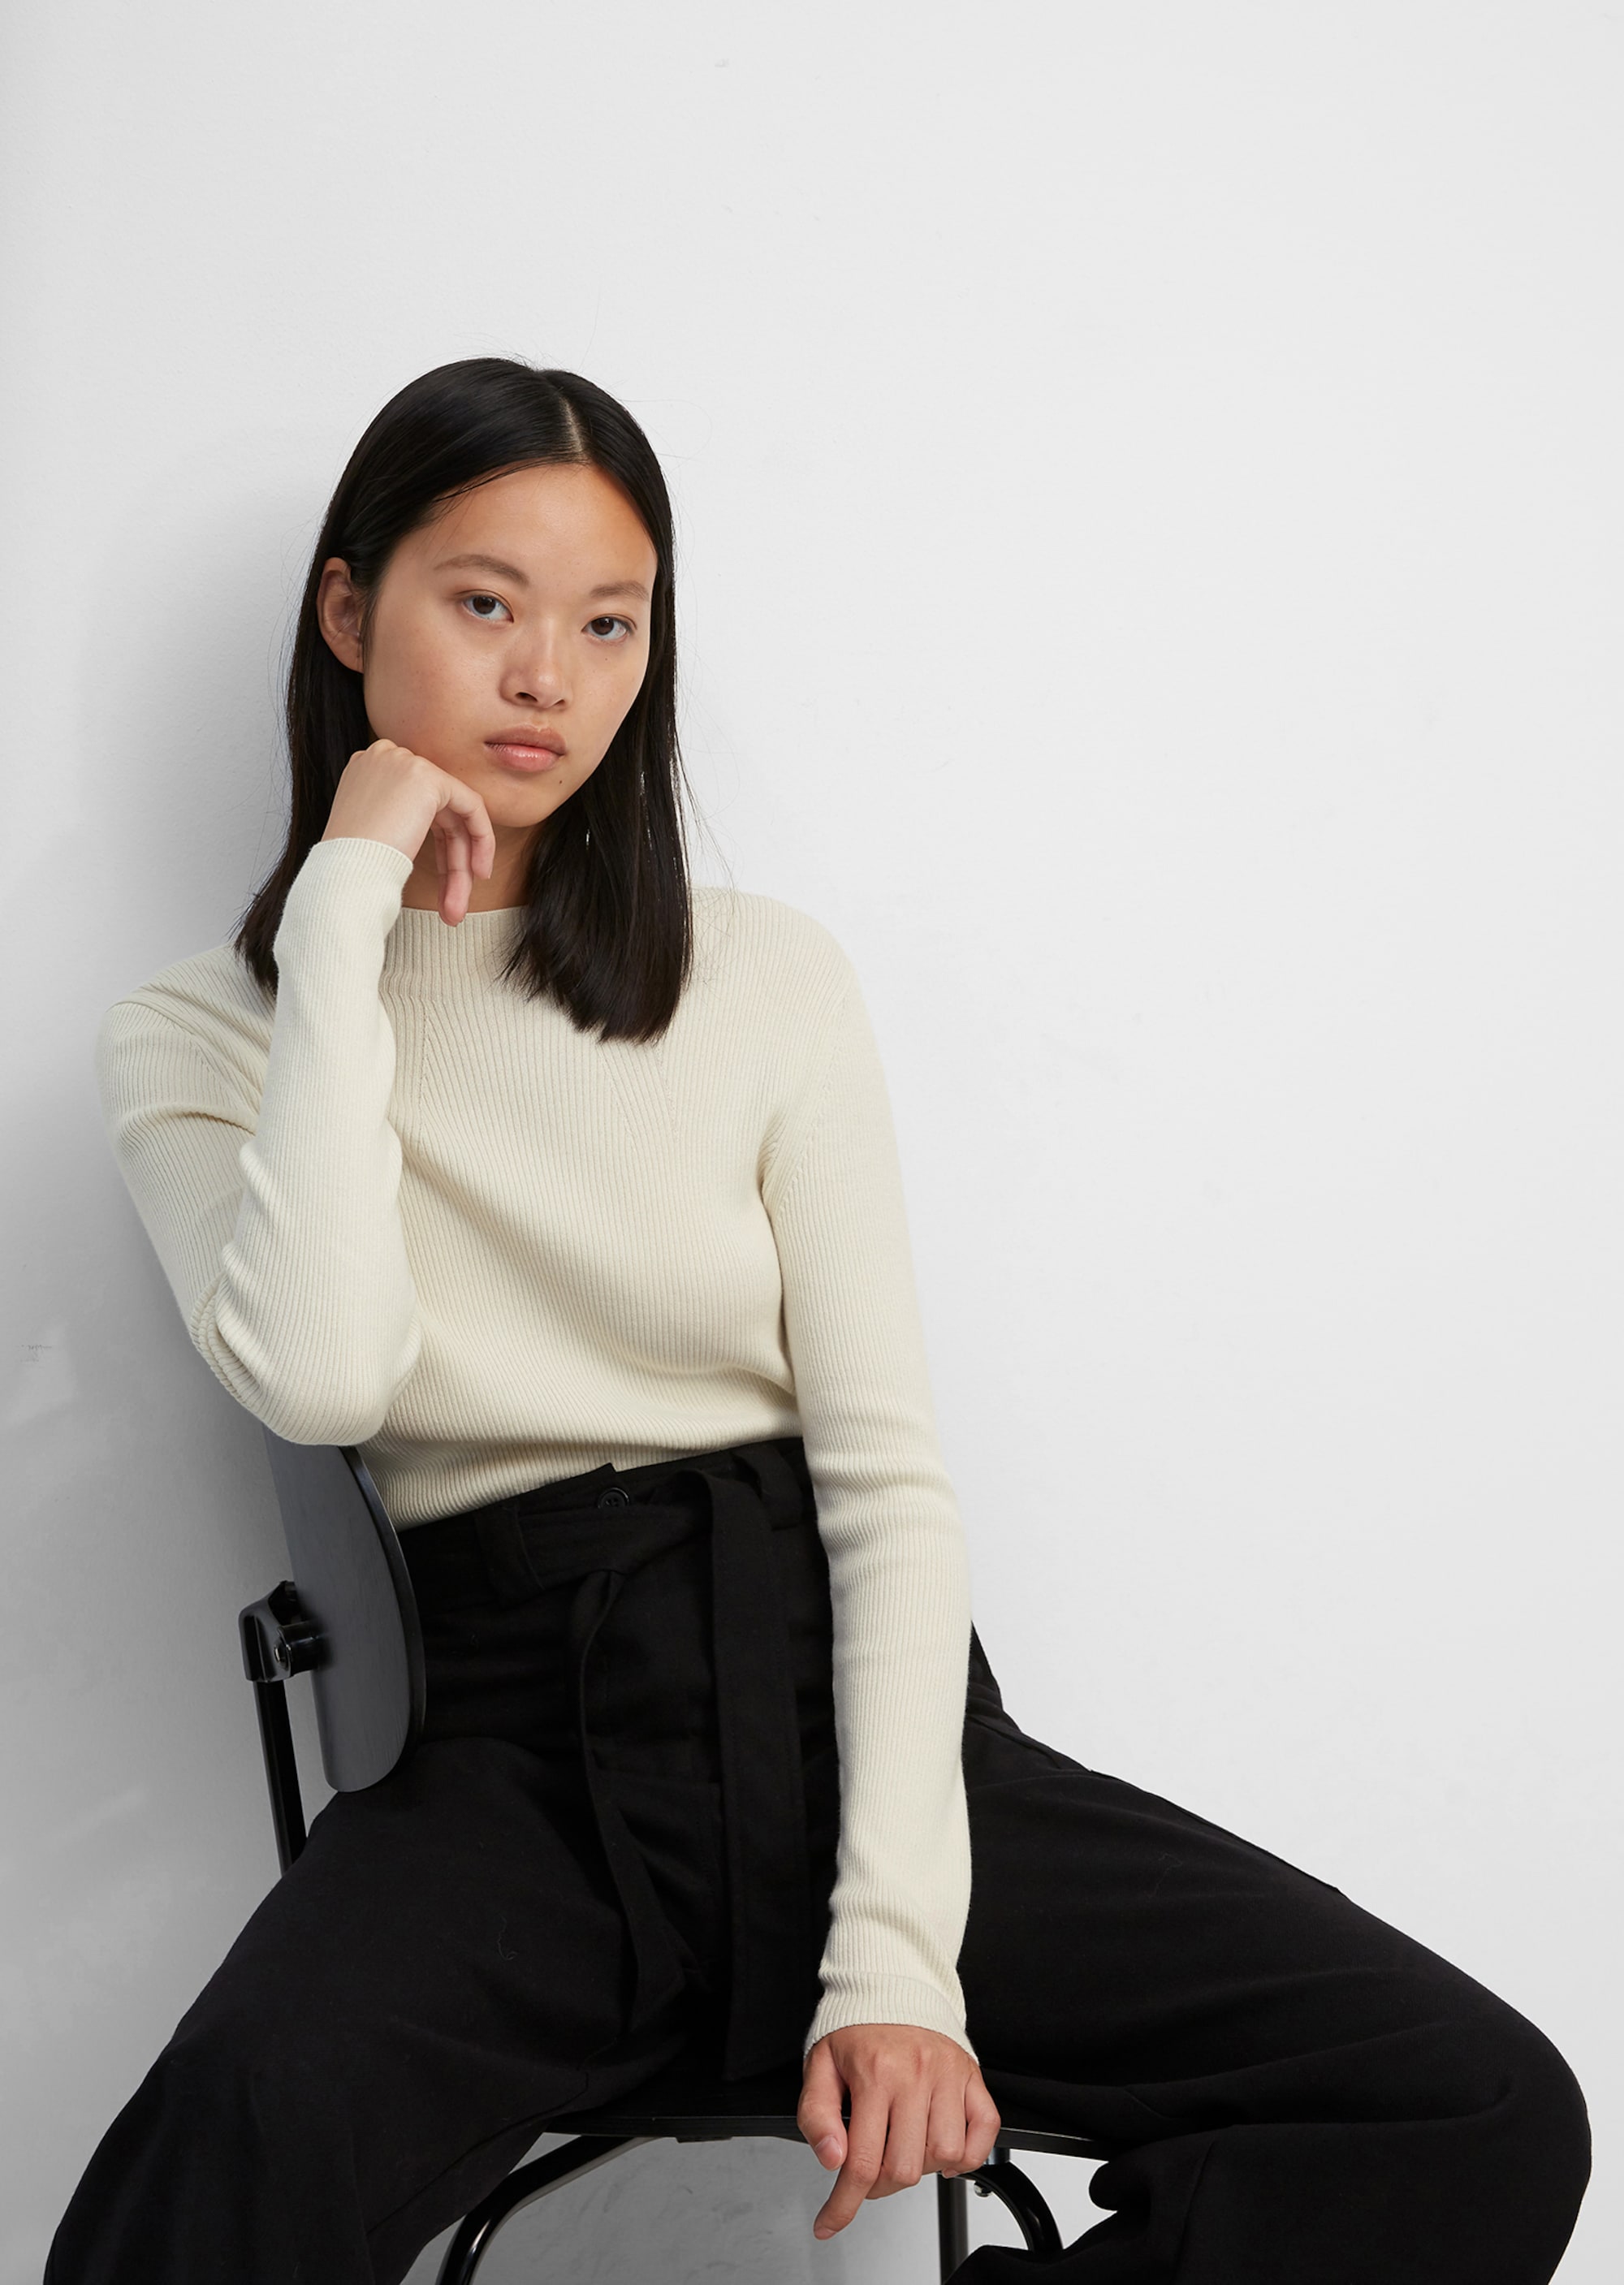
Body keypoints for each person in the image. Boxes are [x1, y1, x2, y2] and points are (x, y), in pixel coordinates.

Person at [50, 357, 1589, 2285]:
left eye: (609, 623)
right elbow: (327, 1372)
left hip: (850, 1712)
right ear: (348, 612)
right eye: (485, 602)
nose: (547, 678)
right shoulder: (199, 1038)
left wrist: (897, 1963)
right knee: (211, 2175)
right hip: (510, 1762)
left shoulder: (763, 980)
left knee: (1469, 2102)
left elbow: (884, 1482)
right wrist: (348, 904)